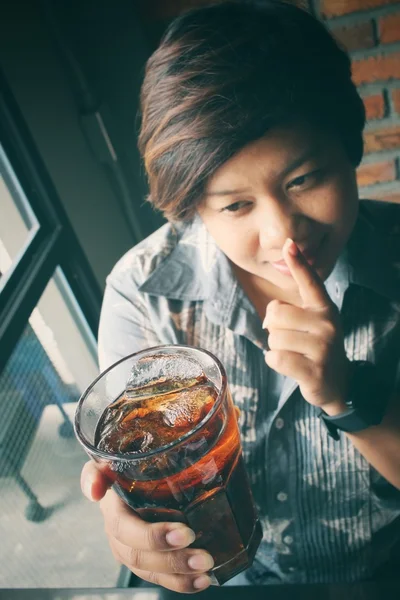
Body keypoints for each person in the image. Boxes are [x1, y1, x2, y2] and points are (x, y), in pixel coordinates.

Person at [80, 0, 400, 593]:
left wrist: (347, 395)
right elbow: (137, 474)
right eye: (235, 205)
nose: (284, 235)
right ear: (196, 210)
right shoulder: (142, 293)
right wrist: (126, 521)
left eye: (303, 180)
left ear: (350, 151)